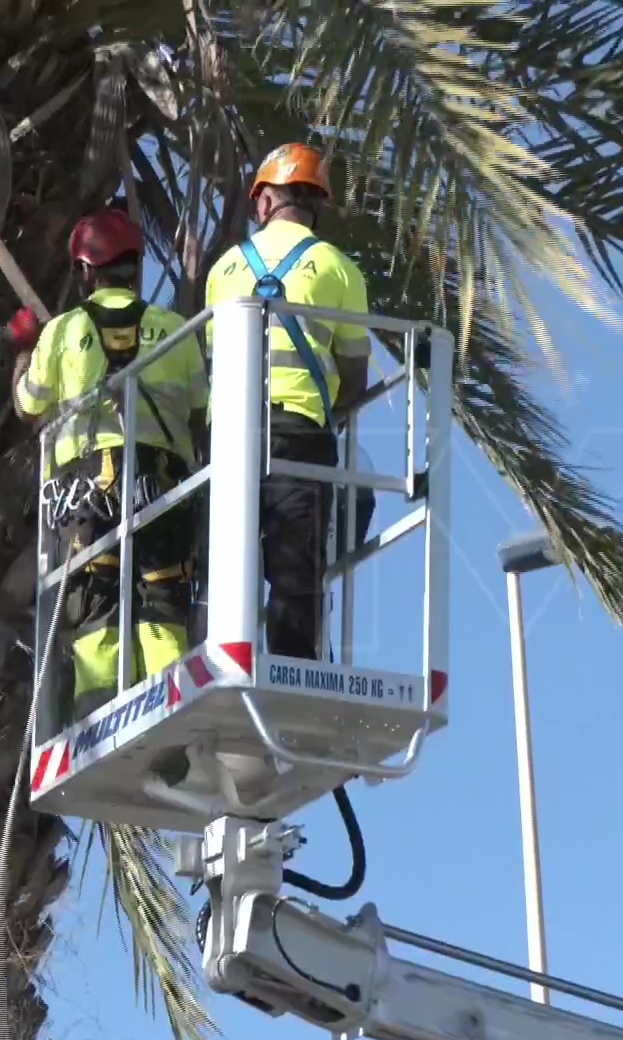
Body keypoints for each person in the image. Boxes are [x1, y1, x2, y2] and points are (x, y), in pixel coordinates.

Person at [12, 208, 209, 719]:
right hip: (162, 484)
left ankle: (99, 713)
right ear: (135, 268)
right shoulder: (174, 329)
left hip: (87, 489)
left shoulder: (61, 332)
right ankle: (170, 714)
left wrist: (22, 346)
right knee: (162, 597)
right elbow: (201, 410)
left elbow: (28, 406)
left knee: (95, 598)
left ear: (84, 271)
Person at [204, 143, 373, 662]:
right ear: (315, 203)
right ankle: (292, 666)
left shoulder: (225, 269)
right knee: (296, 566)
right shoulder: (339, 269)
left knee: (224, 561)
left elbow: (211, 359)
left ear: (263, 203)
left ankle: (217, 656)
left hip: (229, 436)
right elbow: (354, 374)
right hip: (298, 433)